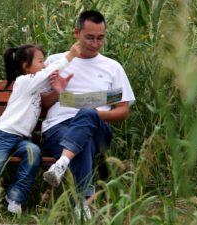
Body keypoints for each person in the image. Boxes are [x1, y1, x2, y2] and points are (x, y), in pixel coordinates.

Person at [0, 42, 81, 217]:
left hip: (22, 139)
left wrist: (58, 91)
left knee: (34, 153)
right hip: (4, 135)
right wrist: (70, 55)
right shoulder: (24, 82)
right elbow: (48, 72)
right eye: (40, 61)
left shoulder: (35, 89)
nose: (44, 65)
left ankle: (15, 198)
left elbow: (47, 98)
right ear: (26, 66)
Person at [40, 10, 135, 219]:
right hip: (58, 127)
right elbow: (42, 105)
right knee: (83, 141)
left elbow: (123, 110)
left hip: (98, 127)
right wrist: (57, 92)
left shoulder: (113, 67)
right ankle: (82, 204)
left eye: (100, 38)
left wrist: (93, 115)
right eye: (89, 37)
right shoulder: (57, 61)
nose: (95, 43)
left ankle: (61, 164)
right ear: (77, 33)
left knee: (87, 116)